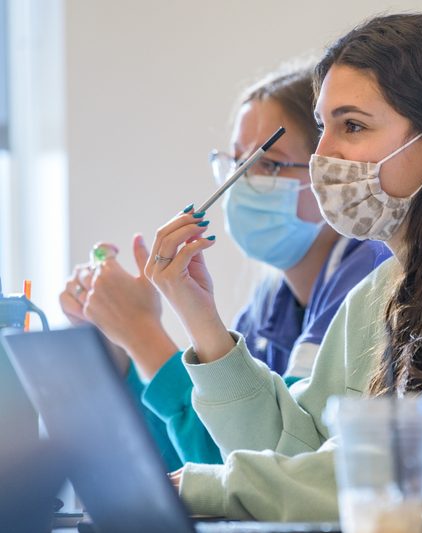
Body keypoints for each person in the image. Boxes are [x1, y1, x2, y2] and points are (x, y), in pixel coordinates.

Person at [144, 13, 422, 520]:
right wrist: (201, 318)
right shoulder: (380, 290)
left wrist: (200, 488)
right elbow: (295, 454)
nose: (323, 155)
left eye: (353, 126)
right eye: (324, 127)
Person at [58, 66, 391, 468]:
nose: (239, 182)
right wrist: (120, 347)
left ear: (326, 170)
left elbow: (264, 464)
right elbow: (183, 461)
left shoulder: (369, 273)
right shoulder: (271, 303)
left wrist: (144, 334)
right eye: (235, 161)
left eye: (268, 164)